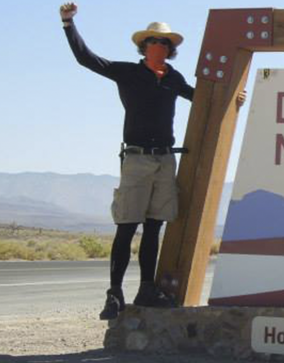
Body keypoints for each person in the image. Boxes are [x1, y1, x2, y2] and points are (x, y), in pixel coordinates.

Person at [59, 3, 245, 319]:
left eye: (164, 43)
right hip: (137, 159)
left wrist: (233, 98)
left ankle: (147, 288)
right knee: (127, 225)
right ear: (143, 46)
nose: (159, 47)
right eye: (153, 42)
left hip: (165, 160)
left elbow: (201, 97)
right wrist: (68, 23)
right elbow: (86, 59)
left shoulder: (174, 78)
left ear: (169, 50)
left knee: (154, 226)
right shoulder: (128, 72)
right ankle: (114, 294)